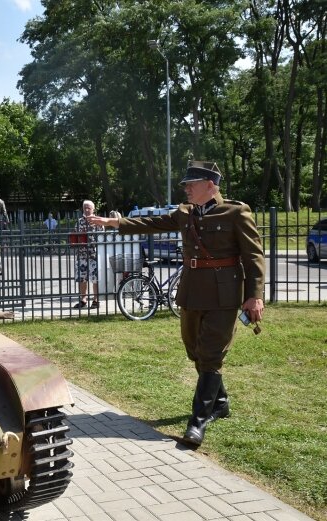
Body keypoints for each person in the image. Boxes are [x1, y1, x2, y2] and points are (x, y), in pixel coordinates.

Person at [87, 161, 265, 447]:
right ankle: (220, 401)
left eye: (191, 184)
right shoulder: (185, 213)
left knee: (211, 353)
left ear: (210, 185)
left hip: (225, 295)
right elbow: (150, 223)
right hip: (192, 291)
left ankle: (198, 422)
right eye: (185, 184)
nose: (186, 189)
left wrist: (254, 295)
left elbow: (253, 256)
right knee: (194, 349)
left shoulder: (235, 212)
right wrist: (114, 223)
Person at [73, 200, 102, 309]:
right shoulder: (79, 222)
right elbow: (75, 235)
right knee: (82, 278)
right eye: (85, 207)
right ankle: (83, 299)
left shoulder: (98, 221)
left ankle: (96, 300)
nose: (86, 209)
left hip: (94, 254)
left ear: (93, 209)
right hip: (81, 254)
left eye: (89, 207)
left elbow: (102, 237)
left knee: (95, 278)